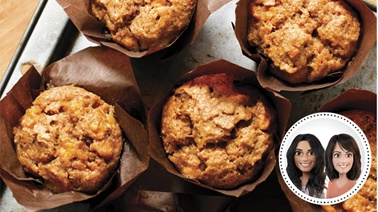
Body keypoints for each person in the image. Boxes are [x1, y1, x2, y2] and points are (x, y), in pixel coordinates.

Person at [286, 134, 326, 198]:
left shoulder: (321, 189)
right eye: (298, 153)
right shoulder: (288, 181)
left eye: (311, 153)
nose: (305, 158)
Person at [325, 134, 361, 198]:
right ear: (330, 158)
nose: (343, 161)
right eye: (337, 155)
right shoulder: (331, 183)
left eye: (348, 155)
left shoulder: (354, 186)